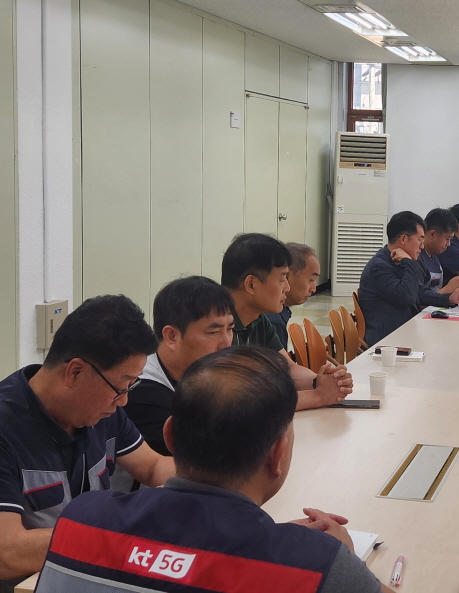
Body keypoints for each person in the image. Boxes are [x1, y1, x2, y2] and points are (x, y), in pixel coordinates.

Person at [36, 346, 391, 593]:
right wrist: (344, 562)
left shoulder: (81, 520)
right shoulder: (317, 567)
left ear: (170, 435)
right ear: (278, 455)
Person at [0, 296, 175, 587]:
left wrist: (209, 482)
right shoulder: (7, 428)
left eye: (131, 387)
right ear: (75, 371)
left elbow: (152, 466)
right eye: (120, 387)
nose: (124, 401)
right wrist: (114, 533)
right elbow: (6, 553)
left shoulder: (101, 410)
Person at [222, 233, 352, 410]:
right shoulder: (216, 329)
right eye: (282, 279)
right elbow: (241, 403)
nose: (287, 288)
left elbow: (288, 369)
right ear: (251, 284)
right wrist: (318, 395)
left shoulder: (258, 319)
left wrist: (320, 381)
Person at [123, 276, 236, 456]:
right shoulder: (142, 390)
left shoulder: (201, 374)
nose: (227, 344)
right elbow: (214, 457)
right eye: (214, 332)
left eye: (229, 329)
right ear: (172, 336)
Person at [359, 211, 459, 345]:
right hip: (387, 341)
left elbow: (419, 291)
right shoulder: (379, 266)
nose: (422, 245)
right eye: (420, 239)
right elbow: (408, 296)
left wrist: (449, 298)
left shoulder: (398, 261)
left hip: (405, 331)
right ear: (404, 239)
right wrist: (409, 262)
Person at [265, 243, 321, 351]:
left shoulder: (279, 311)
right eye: (311, 280)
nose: (313, 289)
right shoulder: (272, 321)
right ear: (287, 276)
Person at [416, 208, 459, 294]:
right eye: (447, 239)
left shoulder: (434, 255)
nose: (448, 244)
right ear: (432, 234)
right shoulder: (417, 258)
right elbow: (418, 300)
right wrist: (449, 289)